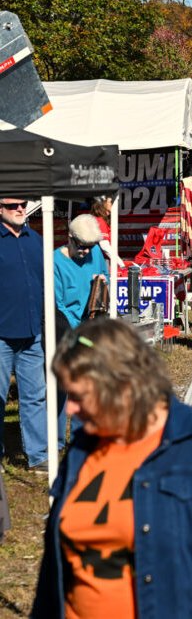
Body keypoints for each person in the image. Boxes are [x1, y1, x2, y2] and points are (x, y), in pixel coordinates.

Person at [34, 318, 192, 618]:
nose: (70, 409)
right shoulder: (83, 448)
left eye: (80, 396)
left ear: (122, 386)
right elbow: (53, 573)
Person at [0, 197, 48, 472]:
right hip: (2, 333)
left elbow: (43, 282)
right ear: (0, 209)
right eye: (12, 205)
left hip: (32, 332)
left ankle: (38, 455)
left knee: (35, 395)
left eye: (23, 204)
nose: (20, 209)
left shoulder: (35, 239)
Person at [54, 215, 108, 334]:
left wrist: (102, 282)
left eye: (91, 246)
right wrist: (78, 331)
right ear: (70, 238)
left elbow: (106, 276)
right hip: (68, 329)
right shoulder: (55, 261)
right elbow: (59, 305)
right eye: (82, 246)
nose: (87, 251)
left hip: (95, 325)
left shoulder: (96, 251)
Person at [89, 195, 124, 267]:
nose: (113, 203)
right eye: (110, 202)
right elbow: (104, 246)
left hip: (101, 260)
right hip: (99, 261)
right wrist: (121, 263)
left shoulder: (101, 219)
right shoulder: (100, 220)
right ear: (103, 203)